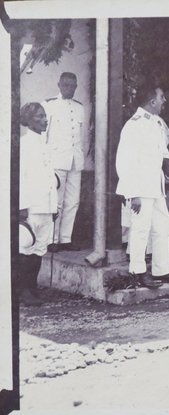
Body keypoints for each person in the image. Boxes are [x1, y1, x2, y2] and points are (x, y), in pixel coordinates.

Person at [115, 84, 169, 287]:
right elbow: (124, 161)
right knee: (140, 229)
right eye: (162, 97)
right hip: (141, 188)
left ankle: (161, 270)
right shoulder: (133, 125)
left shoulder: (156, 123)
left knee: (163, 226)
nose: (164, 101)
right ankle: (137, 273)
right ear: (152, 101)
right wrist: (133, 193)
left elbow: (163, 152)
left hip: (156, 187)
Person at [18, 103, 58, 305]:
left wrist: (54, 206)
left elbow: (50, 178)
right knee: (26, 247)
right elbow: (21, 178)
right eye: (39, 117)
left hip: (46, 206)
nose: (44, 120)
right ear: (28, 120)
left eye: (45, 116)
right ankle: (23, 291)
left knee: (40, 248)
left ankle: (32, 288)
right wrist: (22, 207)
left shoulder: (45, 144)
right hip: (32, 206)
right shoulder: (24, 145)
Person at [42, 72, 85, 252]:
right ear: (59, 85)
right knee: (56, 201)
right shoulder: (49, 105)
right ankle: (52, 239)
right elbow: (43, 135)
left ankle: (66, 239)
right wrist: (44, 162)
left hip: (75, 160)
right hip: (57, 160)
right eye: (66, 85)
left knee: (73, 201)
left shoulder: (79, 107)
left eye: (73, 85)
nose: (70, 88)